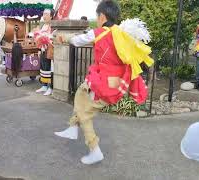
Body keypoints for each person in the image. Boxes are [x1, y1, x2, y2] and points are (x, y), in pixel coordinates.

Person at [55, 0, 153, 165]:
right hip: (114, 81)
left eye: (97, 16)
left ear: (102, 16)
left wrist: (63, 37)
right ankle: (72, 127)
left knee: (85, 113)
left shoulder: (101, 32)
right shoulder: (120, 34)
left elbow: (78, 40)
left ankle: (94, 149)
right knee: (81, 95)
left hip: (103, 81)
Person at [34, 9, 55, 96]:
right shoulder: (43, 26)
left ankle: (50, 87)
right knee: (43, 68)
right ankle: (44, 85)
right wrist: (39, 50)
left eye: (46, 14)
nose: (44, 16)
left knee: (49, 69)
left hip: (49, 50)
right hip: (42, 50)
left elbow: (53, 39)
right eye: (44, 14)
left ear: (51, 16)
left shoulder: (53, 26)